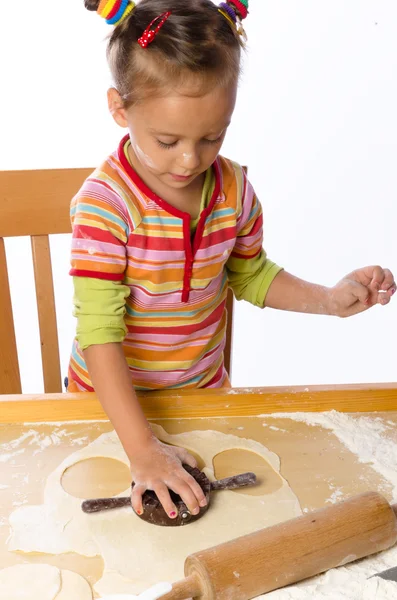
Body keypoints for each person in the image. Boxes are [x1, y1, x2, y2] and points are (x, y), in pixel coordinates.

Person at [68, 0, 395, 520]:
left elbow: (249, 272)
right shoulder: (105, 207)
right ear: (119, 109)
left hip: (202, 397)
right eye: (167, 140)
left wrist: (330, 300)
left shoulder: (234, 190)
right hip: (108, 413)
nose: (191, 160)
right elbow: (99, 332)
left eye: (212, 136)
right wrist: (142, 449)